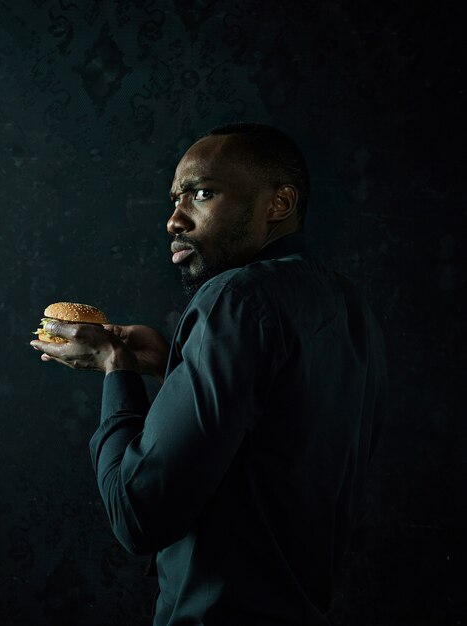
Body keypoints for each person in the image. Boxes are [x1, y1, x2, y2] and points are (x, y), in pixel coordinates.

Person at [30, 123, 387, 626]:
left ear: (278, 204)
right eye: (175, 200)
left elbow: (137, 515)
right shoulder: (350, 306)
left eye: (202, 194)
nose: (174, 220)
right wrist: (168, 366)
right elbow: (268, 454)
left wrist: (117, 368)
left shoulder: (235, 297)